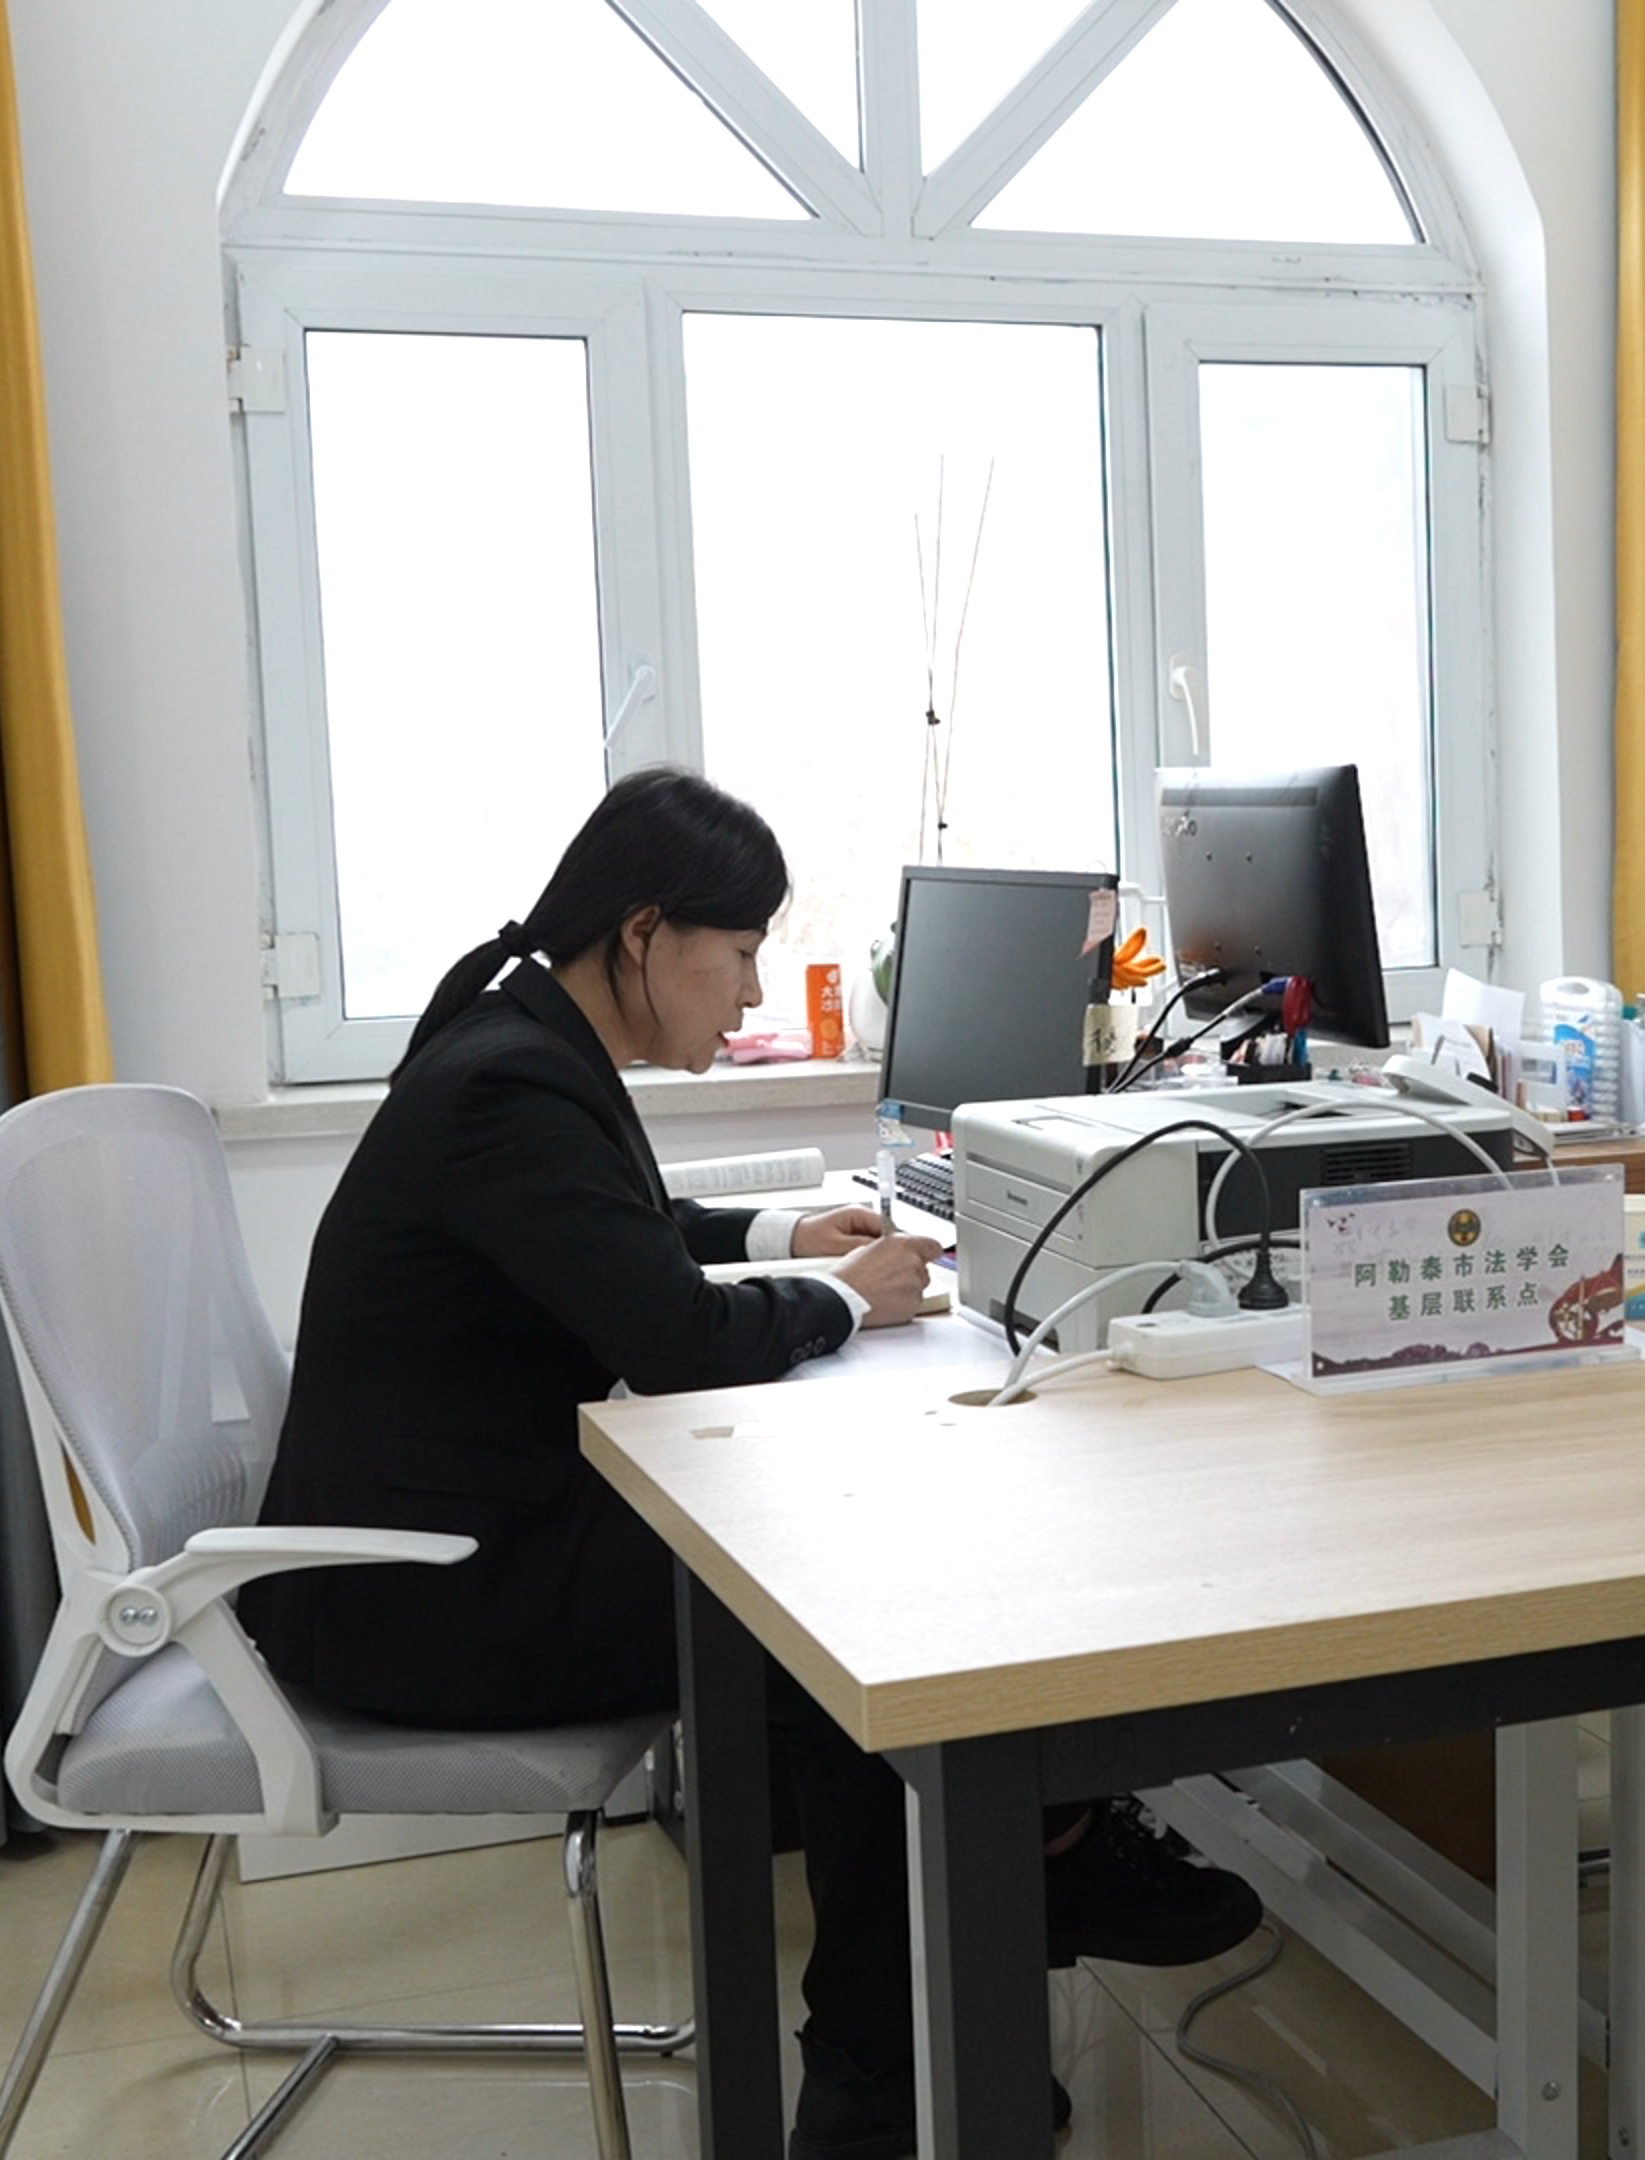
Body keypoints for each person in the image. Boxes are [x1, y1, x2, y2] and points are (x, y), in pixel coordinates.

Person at [247, 769, 1260, 2160]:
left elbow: (621, 1230)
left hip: (461, 1543)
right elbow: (671, 1340)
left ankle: (964, 1966)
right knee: (837, 1607)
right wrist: (847, 1300)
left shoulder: (520, 1036)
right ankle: (943, 1996)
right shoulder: (508, 1086)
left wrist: (787, 1241)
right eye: (738, 955)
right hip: (425, 1599)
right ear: (644, 934)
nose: (750, 993)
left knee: (847, 1590)